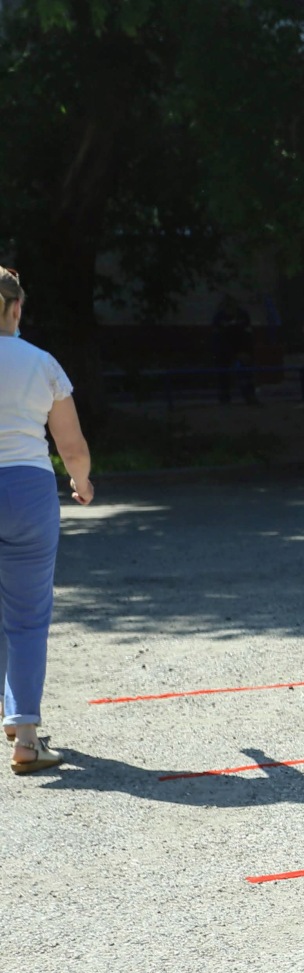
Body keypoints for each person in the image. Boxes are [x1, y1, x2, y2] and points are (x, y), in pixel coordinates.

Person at [0, 267, 94, 776]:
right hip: (29, 493)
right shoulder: (42, 363)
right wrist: (82, 482)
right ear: (16, 309)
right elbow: (71, 446)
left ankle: (8, 710)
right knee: (27, 616)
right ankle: (26, 737)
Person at [210, 294, 257, 405]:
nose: (230, 308)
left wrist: (246, 352)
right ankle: (224, 399)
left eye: (232, 305)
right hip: (224, 349)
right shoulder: (219, 317)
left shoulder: (243, 315)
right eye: (227, 306)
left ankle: (249, 396)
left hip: (241, 348)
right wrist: (228, 353)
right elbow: (218, 338)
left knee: (246, 373)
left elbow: (248, 335)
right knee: (223, 374)